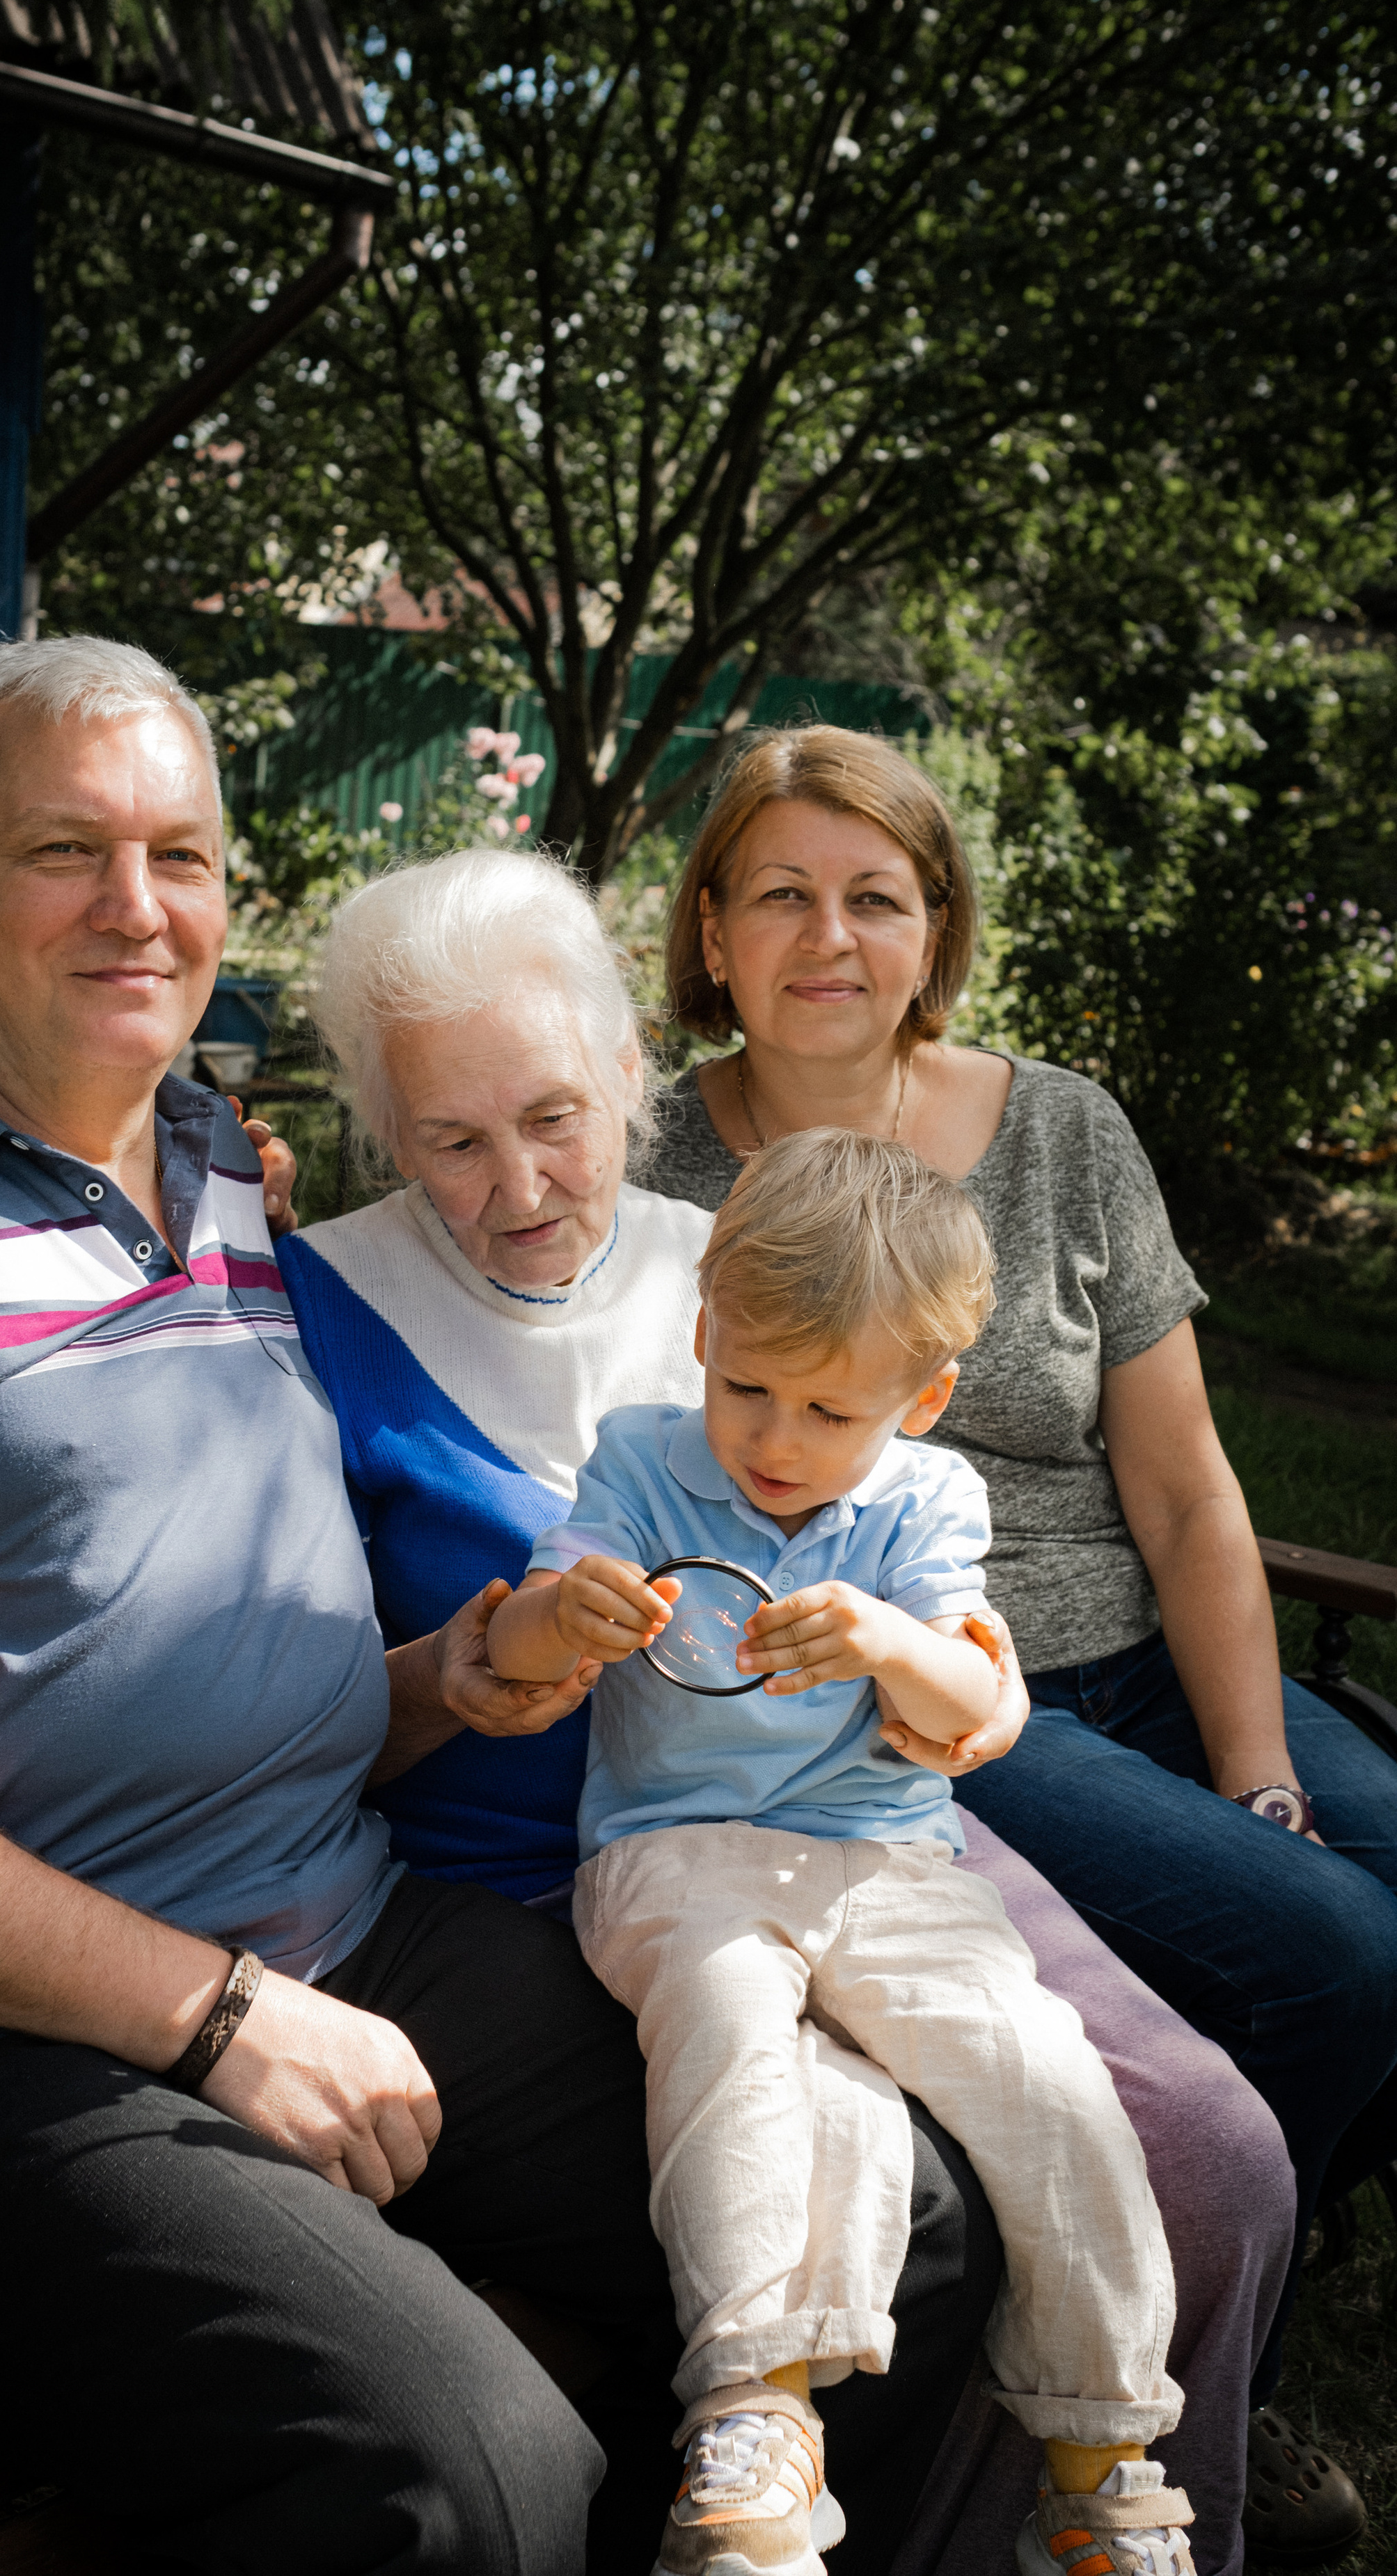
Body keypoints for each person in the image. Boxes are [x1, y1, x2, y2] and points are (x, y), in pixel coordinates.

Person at [0, 635, 717, 2576]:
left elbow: (156, 1647)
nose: (141, 907)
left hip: (329, 1930)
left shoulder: (214, 1173)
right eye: (67, 851)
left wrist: (441, 1678)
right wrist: (213, 2019)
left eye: (185, 856)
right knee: (467, 2473)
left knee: (871, 2220)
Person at [277, 845, 1296, 2576]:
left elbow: (957, 1655)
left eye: (554, 1113)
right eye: (450, 1139)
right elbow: (307, 1703)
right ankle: (822, 2500)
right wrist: (487, 1661)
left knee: (1210, 2153)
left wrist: (934, 1697)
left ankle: (1117, 2503)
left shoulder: (761, 1257)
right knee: (880, 2178)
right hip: (598, 1870)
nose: (520, 1182)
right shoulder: (312, 1307)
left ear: (628, 1078)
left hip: (875, 1821)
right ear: (385, 1137)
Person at [639, 720, 1393, 2561]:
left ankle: (1209, 2340)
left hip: (1129, 1656)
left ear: (937, 927)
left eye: (877, 897)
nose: (833, 935)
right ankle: (1160, 2408)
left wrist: (1259, 1768)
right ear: (714, 932)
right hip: (927, 1705)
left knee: (1360, 1855)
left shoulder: (1062, 1130)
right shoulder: (654, 1158)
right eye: (785, 895)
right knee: (1340, 1955)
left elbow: (1195, 1493)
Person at [491, 1129, 1194, 2576]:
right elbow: (523, 1621)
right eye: (743, 1384)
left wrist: (886, 1642)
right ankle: (750, 2406)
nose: (772, 1438)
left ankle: (1099, 2450)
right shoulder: (638, 1461)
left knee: (1039, 2075)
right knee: (739, 2044)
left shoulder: (925, 1504)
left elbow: (983, 1708)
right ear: (700, 1332)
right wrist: (563, 1619)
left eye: (825, 1409)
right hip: (672, 1858)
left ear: (919, 1399)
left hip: (883, 1863)